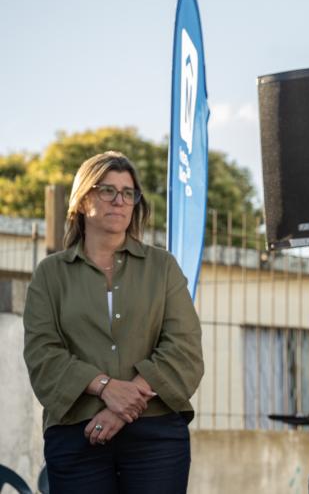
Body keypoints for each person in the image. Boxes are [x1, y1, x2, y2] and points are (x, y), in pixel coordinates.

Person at [23, 151, 204, 493]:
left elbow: (184, 349)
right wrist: (105, 387)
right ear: (82, 199)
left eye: (128, 193)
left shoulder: (162, 267)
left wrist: (122, 407)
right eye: (107, 190)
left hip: (157, 437)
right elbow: (42, 355)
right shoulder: (50, 275)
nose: (119, 201)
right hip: (77, 434)